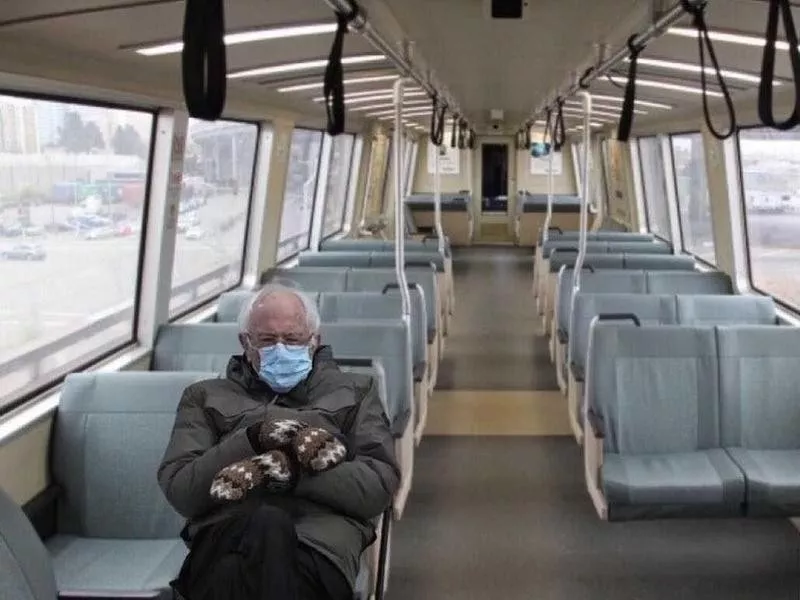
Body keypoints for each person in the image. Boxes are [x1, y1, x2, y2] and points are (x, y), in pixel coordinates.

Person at [158, 284, 400, 600]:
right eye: (268, 341)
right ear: (245, 343)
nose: (281, 349)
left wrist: (288, 472)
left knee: (253, 550)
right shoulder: (203, 397)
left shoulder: (355, 393)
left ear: (315, 341)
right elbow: (183, 491)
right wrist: (253, 438)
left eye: (293, 339)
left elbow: (376, 487)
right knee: (260, 532)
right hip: (226, 536)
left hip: (316, 544)